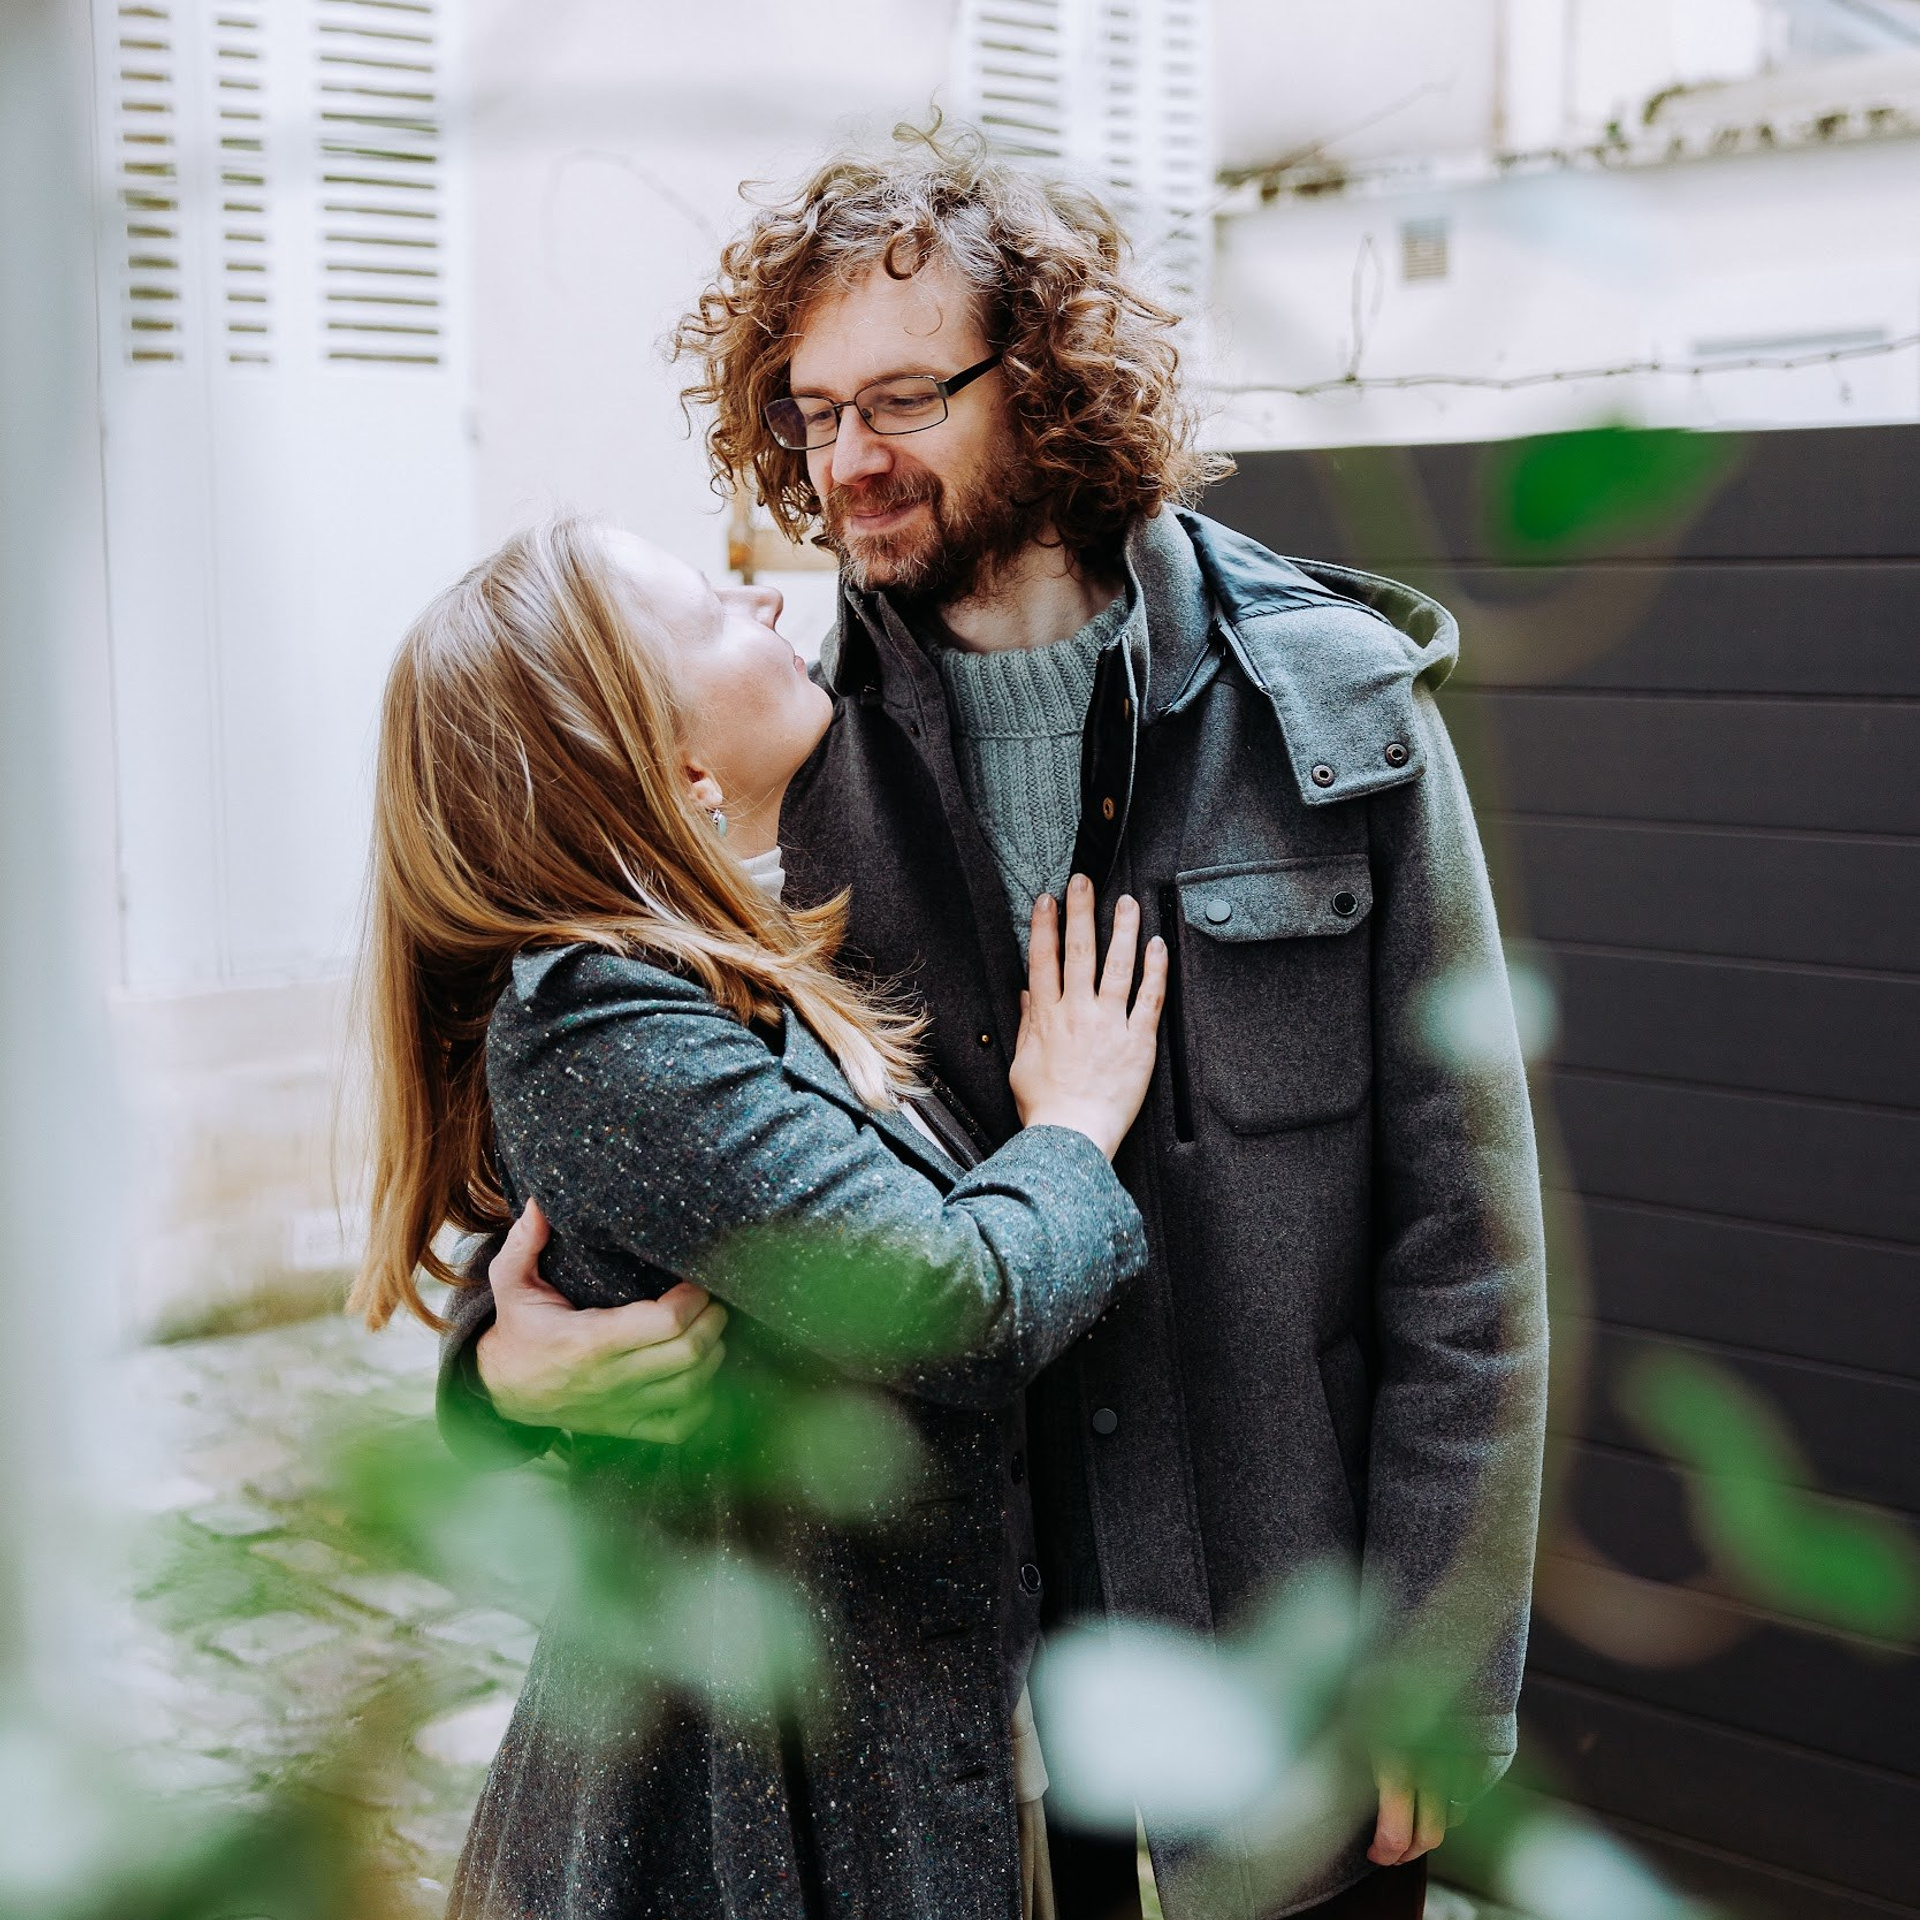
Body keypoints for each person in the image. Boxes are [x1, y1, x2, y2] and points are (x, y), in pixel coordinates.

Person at [445, 125, 1551, 1920]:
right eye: (809, 415)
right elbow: (608, 1193)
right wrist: (499, 1383)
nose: (843, 461)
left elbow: (1469, 1237)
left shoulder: (1336, 716)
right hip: (937, 1728)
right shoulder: (771, 760)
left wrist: (1440, 1648)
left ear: (1043, 380)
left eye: (899, 399)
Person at [354, 515, 1171, 1918]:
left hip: (931, 1746)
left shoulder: (722, 948)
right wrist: (1076, 1127)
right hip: (768, 1811)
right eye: (718, 615)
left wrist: (497, 1367)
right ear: (668, 763)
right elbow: (948, 1301)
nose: (774, 603)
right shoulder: (598, 1025)